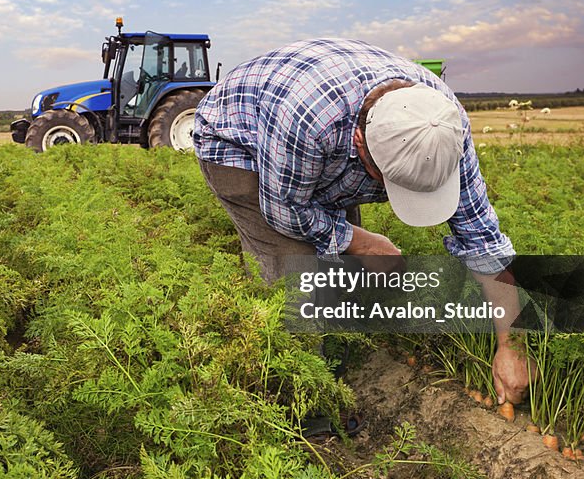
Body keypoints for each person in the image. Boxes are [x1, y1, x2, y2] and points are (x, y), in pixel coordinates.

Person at [192, 38, 530, 406]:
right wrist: (362, 241)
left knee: (340, 261)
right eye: (390, 181)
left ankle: (337, 351)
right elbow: (285, 210)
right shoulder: (309, 120)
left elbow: (483, 240)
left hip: (318, 143)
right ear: (360, 143)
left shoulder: (443, 126)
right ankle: (305, 405)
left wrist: (512, 345)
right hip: (241, 142)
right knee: (294, 271)